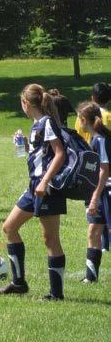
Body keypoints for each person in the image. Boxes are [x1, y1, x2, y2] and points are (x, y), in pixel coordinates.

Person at [0, 84, 67, 301]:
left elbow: (59, 154)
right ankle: (19, 283)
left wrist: (44, 182)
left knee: (50, 239)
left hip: (46, 189)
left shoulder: (47, 122)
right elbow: (42, 154)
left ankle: (56, 294)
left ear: (25, 103)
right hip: (34, 187)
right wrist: (25, 144)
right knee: (9, 227)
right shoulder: (37, 125)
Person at [76, 102, 110, 283]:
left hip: (106, 192)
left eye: (78, 119)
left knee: (99, 231)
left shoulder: (101, 139)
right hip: (99, 192)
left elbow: (105, 171)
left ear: (83, 120)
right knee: (93, 232)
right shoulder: (93, 138)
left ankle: (91, 277)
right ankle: (91, 277)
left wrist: (95, 197)